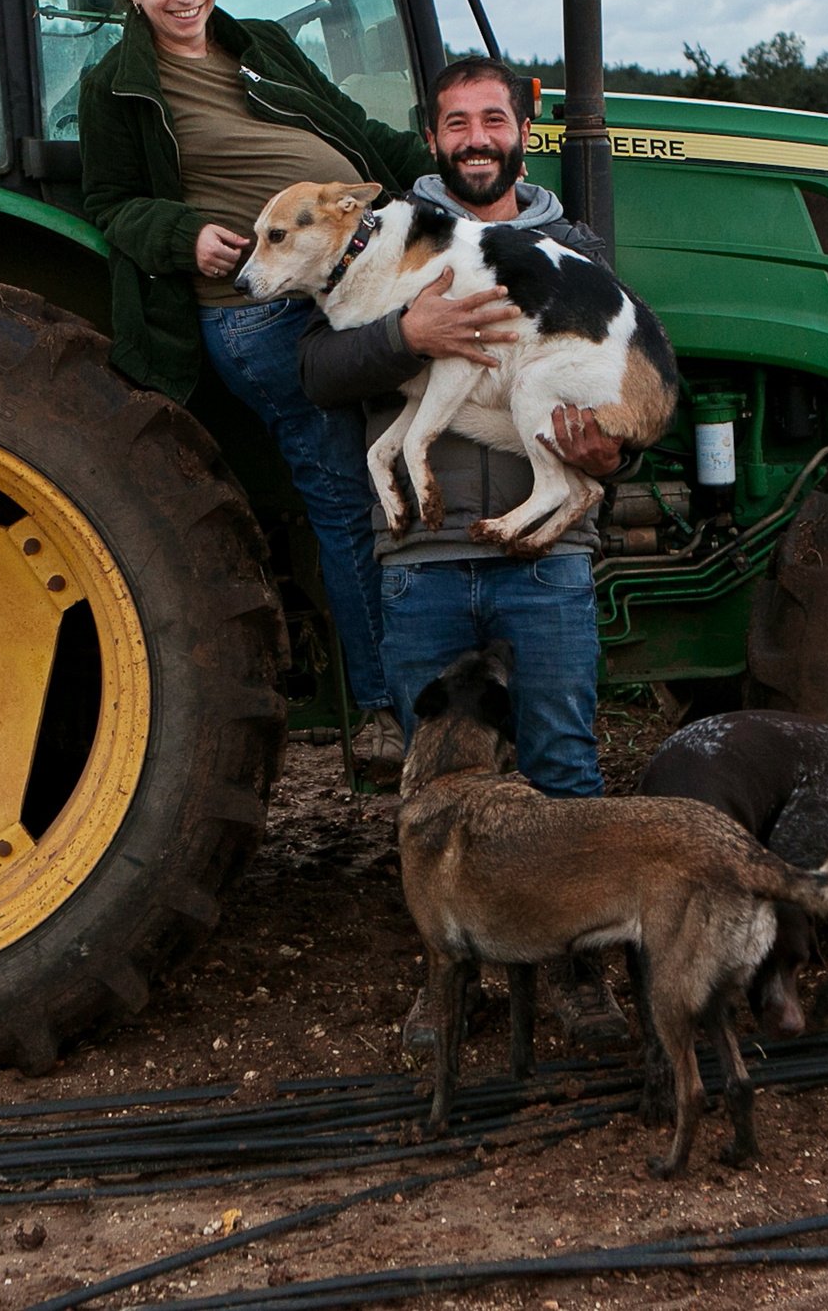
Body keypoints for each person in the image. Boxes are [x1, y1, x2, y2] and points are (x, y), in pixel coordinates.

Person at [297, 54, 643, 1053]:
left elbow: (620, 374)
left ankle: (577, 971)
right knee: (429, 782)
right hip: (424, 556)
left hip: (546, 556)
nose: (476, 137)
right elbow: (317, 368)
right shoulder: (382, 241)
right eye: (457, 122)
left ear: (522, 128)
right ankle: (447, 979)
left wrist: (615, 453)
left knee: (562, 762)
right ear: (432, 133)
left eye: (493, 118)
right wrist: (408, 328)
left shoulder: (571, 244)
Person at [79, 0, 433, 770]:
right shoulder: (118, 86)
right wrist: (184, 234)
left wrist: (445, 164)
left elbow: (353, 132)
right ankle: (389, 711)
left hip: (356, 274)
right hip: (258, 310)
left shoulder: (263, 44)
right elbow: (111, 204)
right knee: (347, 491)